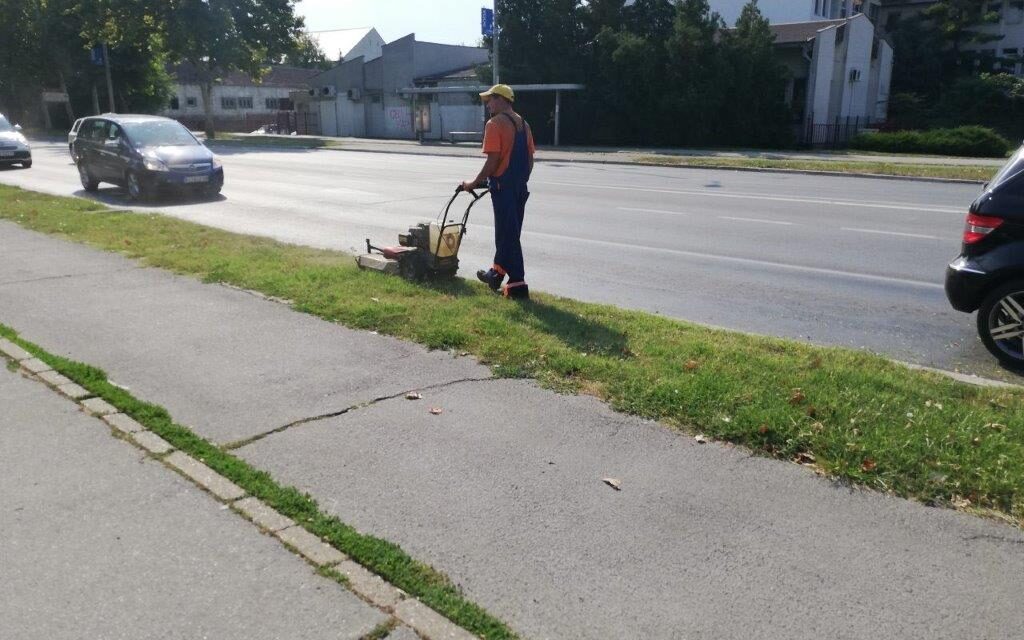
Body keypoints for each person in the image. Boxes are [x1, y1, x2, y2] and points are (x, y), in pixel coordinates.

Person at [462, 84, 536, 300]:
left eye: (490, 99)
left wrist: (474, 182)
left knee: (508, 236)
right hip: (519, 188)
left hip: (503, 189)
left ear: (502, 100)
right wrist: (520, 181)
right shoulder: (524, 124)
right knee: (508, 234)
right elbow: (530, 160)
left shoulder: (494, 124)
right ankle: (495, 274)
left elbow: (493, 160)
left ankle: (517, 285)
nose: (487, 104)